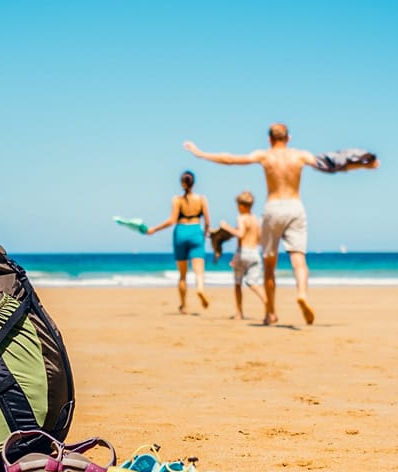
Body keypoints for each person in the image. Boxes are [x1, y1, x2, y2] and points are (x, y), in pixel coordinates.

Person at [184, 123, 379, 325]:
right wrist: (363, 165)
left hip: (273, 208)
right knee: (299, 260)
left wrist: (201, 154)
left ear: (269, 139)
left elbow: (231, 159)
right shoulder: (300, 156)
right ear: (289, 138)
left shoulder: (265, 156)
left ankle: (271, 313)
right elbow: (333, 165)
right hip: (295, 207)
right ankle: (302, 293)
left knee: (270, 266)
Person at [146, 170, 211, 313]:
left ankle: (184, 306)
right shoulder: (201, 199)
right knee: (199, 271)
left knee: (182, 274)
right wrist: (205, 232)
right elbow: (207, 221)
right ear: (193, 183)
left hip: (180, 232)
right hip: (196, 231)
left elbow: (171, 221)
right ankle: (200, 289)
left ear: (182, 183)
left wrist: (154, 229)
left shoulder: (177, 199)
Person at [218, 191, 266, 320]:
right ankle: (268, 303)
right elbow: (261, 239)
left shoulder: (242, 218)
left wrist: (226, 227)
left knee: (238, 283)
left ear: (241, 206)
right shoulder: (256, 219)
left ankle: (239, 313)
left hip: (242, 252)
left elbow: (240, 234)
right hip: (255, 252)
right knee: (253, 282)